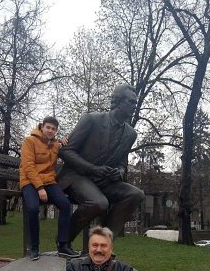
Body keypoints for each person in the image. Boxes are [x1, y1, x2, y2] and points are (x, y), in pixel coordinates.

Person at [58, 84, 145, 242]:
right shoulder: (92, 119)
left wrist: (119, 172)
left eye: (135, 102)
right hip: (76, 176)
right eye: (131, 102)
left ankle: (103, 243)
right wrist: (92, 169)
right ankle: (64, 239)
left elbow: (122, 163)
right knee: (99, 203)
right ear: (118, 101)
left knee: (135, 194)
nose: (135, 105)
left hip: (103, 181)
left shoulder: (130, 134)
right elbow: (66, 151)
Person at [20, 116, 79, 260]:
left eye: (54, 129)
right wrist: (40, 188)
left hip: (49, 182)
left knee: (65, 205)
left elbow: (65, 147)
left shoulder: (55, 145)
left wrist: (64, 141)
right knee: (33, 208)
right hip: (30, 181)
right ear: (42, 127)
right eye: (48, 127)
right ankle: (34, 247)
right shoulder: (29, 141)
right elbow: (28, 167)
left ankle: (63, 245)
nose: (50, 130)